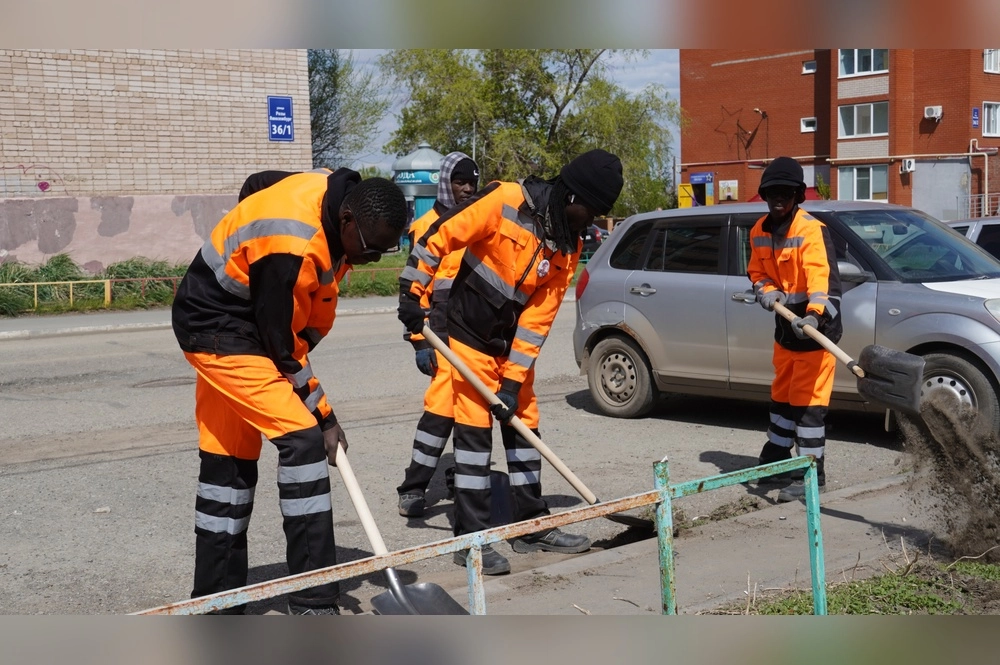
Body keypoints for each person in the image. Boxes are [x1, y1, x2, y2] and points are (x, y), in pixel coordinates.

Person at [171, 168, 407, 614]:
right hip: (218, 329)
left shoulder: (330, 194)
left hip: (248, 323)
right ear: (348, 219)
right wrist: (325, 416)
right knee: (303, 439)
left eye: (385, 249)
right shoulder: (291, 244)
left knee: (228, 458)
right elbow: (282, 347)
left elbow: (258, 183)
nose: (373, 258)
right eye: (371, 248)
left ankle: (217, 602)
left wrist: (248, 246)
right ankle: (314, 599)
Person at [397, 149, 624, 575]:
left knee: (524, 427)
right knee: (474, 437)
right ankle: (471, 539)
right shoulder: (504, 200)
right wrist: (411, 294)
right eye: (590, 210)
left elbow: (538, 319)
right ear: (571, 196)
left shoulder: (568, 245)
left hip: (509, 347)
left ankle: (531, 525)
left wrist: (514, 382)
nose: (590, 221)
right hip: (467, 336)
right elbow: (438, 238)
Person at [748, 156, 842, 503]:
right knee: (782, 396)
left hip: (816, 333)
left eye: (785, 194)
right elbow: (757, 272)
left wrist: (814, 316)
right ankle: (776, 458)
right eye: (773, 193)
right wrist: (766, 290)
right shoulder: (758, 231)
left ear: (797, 196)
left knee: (808, 405)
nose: (778, 199)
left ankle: (811, 474)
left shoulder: (811, 230)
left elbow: (824, 283)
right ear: (764, 195)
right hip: (786, 330)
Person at [396, 151, 480, 518]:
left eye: (472, 183)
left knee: (471, 413)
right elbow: (413, 289)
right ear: (446, 183)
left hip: (472, 336)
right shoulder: (426, 225)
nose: (467, 189)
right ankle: (413, 488)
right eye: (460, 182)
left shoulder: (476, 221)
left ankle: (459, 478)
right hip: (439, 336)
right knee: (439, 413)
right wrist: (419, 341)